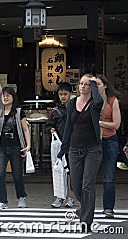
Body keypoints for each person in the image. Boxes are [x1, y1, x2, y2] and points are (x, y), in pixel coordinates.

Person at [57, 74, 103, 231]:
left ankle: (85, 222)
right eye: (81, 84)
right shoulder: (71, 104)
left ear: (91, 87)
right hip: (75, 148)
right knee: (76, 185)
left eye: (87, 84)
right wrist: (63, 149)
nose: (83, 87)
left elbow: (99, 101)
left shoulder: (95, 103)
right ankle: (85, 207)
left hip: (93, 148)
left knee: (88, 185)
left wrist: (95, 85)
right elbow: (69, 126)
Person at [0, 86, 31, 210]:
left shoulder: (19, 112)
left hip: (16, 146)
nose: (5, 98)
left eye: (8, 95)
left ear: (13, 97)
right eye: (3, 95)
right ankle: (2, 201)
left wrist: (28, 145)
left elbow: (25, 129)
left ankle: (21, 197)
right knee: (0, 173)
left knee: (17, 174)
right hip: (1, 147)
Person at [45, 82, 75, 208]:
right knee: (58, 171)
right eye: (61, 94)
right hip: (60, 145)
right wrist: (51, 130)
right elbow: (48, 125)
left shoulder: (75, 108)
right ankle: (60, 196)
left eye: (65, 94)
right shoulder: (55, 111)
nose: (63, 96)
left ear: (70, 94)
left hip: (73, 144)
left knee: (72, 172)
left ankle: (71, 197)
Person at [96, 74, 121, 218]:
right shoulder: (90, 101)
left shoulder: (113, 101)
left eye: (98, 84)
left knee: (109, 176)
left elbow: (116, 125)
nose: (95, 87)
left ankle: (108, 208)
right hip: (93, 141)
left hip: (109, 140)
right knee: (88, 176)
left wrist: (99, 123)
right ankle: (85, 205)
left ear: (105, 85)